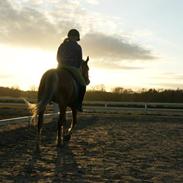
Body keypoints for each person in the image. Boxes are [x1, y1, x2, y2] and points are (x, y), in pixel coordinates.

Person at [57, 29, 86, 112]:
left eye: (74, 36)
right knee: (83, 84)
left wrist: (60, 64)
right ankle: (79, 104)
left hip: (60, 67)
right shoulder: (77, 47)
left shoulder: (62, 45)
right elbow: (79, 60)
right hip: (72, 67)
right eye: (73, 36)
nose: (73, 37)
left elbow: (58, 56)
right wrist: (76, 67)